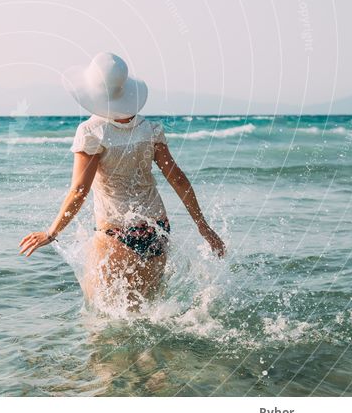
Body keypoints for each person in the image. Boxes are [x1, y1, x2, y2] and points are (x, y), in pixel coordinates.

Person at [19, 52, 226, 309]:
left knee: (101, 316)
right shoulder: (150, 129)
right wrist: (203, 227)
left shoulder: (92, 132)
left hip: (116, 232)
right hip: (156, 228)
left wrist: (52, 232)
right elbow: (179, 180)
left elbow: (80, 190)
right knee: (148, 311)